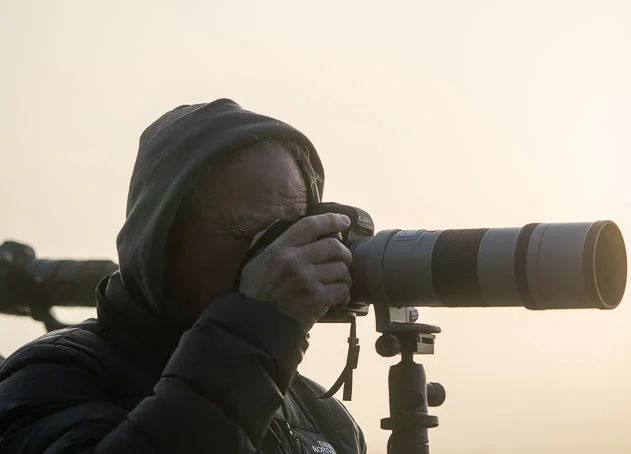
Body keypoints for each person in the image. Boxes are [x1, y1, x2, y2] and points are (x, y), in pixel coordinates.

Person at [0, 99, 367, 453]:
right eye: (247, 234)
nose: (282, 260)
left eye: (288, 234)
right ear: (161, 238)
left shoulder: (322, 416)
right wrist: (258, 324)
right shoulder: (54, 376)